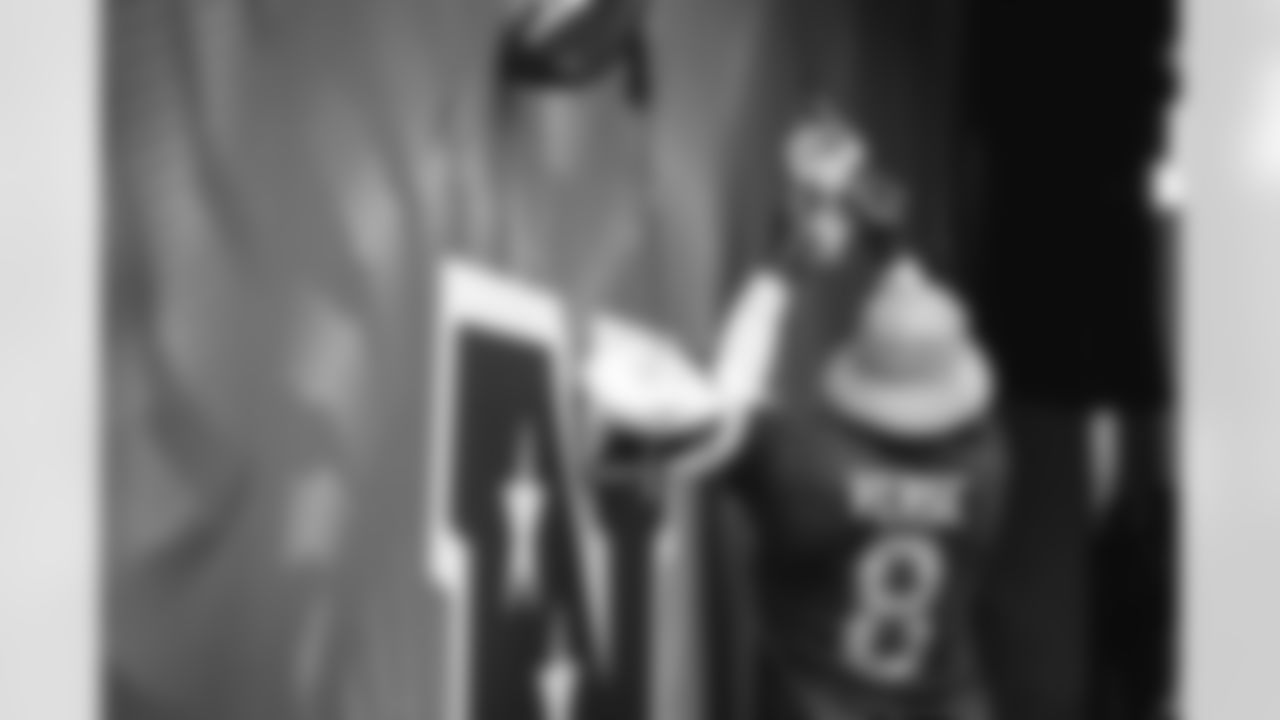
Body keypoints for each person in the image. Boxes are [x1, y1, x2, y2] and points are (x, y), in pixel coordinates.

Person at [578, 108, 1007, 720]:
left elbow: (725, 404)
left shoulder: (808, 464)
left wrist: (783, 267)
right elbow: (928, 346)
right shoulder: (987, 466)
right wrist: (894, 251)